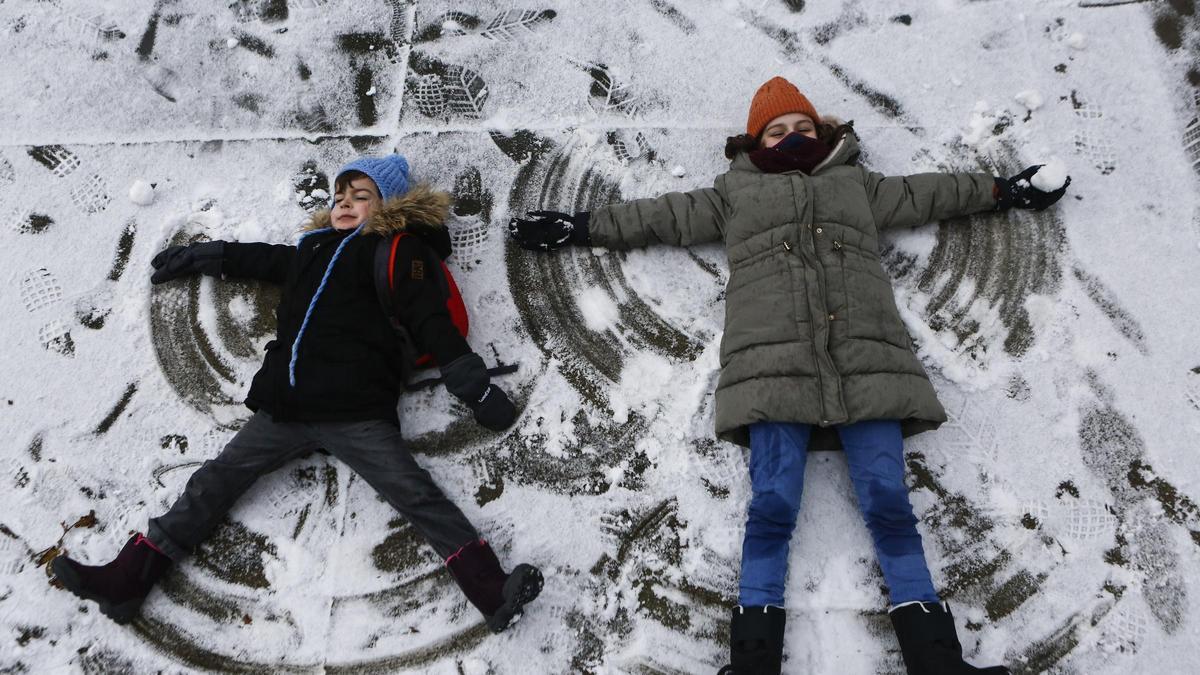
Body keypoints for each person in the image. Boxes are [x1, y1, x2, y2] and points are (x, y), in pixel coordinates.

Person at [509, 76, 1068, 674]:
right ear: (755, 142)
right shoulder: (732, 196)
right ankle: (753, 664)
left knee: (888, 502)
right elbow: (659, 217)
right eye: (777, 130)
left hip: (867, 362)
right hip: (770, 370)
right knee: (772, 505)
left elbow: (930, 194)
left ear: (822, 130)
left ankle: (937, 662)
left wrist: (1003, 190)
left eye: (802, 126)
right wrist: (579, 227)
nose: (792, 136)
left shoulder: (858, 185)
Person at [52, 154, 543, 634]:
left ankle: (490, 588)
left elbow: (431, 322)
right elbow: (268, 259)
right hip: (285, 407)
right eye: (339, 196)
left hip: (356, 413)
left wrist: (474, 390)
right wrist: (210, 255)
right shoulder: (314, 251)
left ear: (390, 205)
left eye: (361, 196)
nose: (345, 203)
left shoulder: (396, 252)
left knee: (415, 494)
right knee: (214, 481)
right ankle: (126, 580)